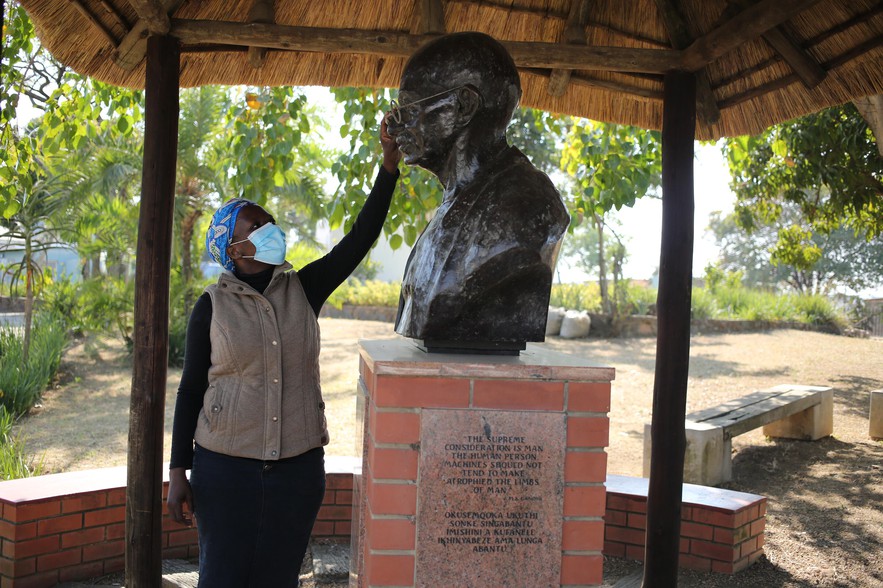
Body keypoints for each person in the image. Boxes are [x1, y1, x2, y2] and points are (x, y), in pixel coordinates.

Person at [166, 117, 400, 587]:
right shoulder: (210, 306)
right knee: (222, 578)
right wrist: (178, 472)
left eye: (270, 221)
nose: (270, 227)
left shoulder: (304, 288)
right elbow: (191, 389)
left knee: (278, 580)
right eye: (257, 223)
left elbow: (360, 238)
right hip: (224, 471)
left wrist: (388, 165)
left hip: (297, 471)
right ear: (233, 245)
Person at [386, 32, 569, 353]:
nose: (394, 125)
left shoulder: (524, 206)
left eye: (408, 107)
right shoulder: (453, 203)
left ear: (463, 106)